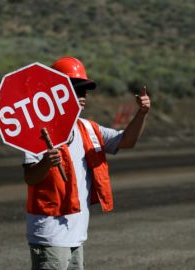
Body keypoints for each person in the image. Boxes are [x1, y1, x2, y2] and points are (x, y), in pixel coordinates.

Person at [23, 56, 150, 270]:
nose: (83, 96)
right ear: (56, 92)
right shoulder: (39, 131)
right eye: (76, 90)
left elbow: (127, 141)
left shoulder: (88, 129)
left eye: (85, 91)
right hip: (49, 235)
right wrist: (45, 162)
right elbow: (30, 177)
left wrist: (142, 113)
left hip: (76, 234)